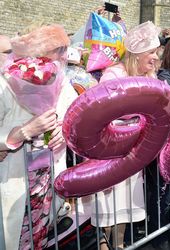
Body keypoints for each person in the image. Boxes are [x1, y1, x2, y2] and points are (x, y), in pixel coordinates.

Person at [0, 24, 77, 249]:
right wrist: (23, 132)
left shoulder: (62, 82)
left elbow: (75, 119)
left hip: (45, 184)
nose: (64, 56)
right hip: (15, 184)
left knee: (38, 240)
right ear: (41, 51)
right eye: (59, 49)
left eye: (65, 49)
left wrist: (64, 131)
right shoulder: (6, 83)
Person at [96, 21, 161, 249]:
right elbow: (102, 113)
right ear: (138, 53)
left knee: (124, 206)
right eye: (152, 52)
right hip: (111, 151)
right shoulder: (113, 75)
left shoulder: (150, 77)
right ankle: (104, 246)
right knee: (107, 206)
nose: (155, 57)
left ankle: (120, 244)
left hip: (133, 152)